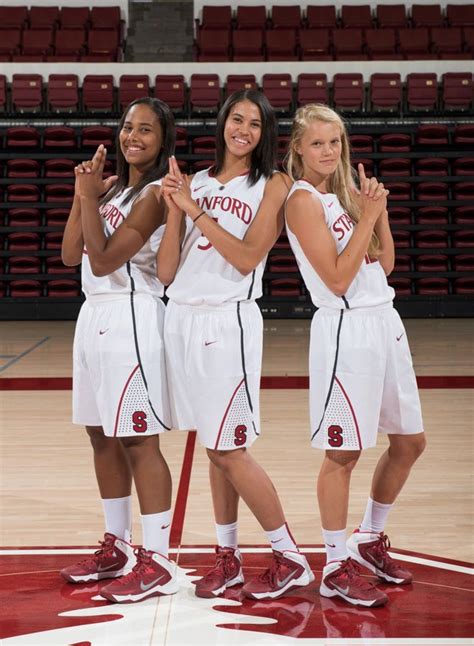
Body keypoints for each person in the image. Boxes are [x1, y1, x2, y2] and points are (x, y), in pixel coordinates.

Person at [157, 89, 314, 600]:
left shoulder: (274, 183)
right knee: (215, 447)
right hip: (180, 317)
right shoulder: (197, 181)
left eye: (255, 123)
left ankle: (289, 555)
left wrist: (196, 213)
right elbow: (169, 269)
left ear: (266, 132)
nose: (243, 129)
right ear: (222, 122)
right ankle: (228, 557)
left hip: (227, 323)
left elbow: (248, 258)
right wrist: (178, 206)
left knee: (230, 448)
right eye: (236, 119)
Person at [285, 103, 426, 607]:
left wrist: (377, 215)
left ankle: (367, 539)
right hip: (345, 330)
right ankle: (334, 564)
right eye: (318, 142)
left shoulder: (339, 197)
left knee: (410, 441)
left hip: (384, 321)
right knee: (343, 454)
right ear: (298, 147)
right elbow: (339, 278)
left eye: (335, 142)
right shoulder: (302, 200)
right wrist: (366, 216)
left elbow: (382, 263)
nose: (328, 151)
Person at [60, 97, 179, 603]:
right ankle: (119, 546)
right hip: (94, 315)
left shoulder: (153, 194)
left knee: (137, 440)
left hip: (133, 313)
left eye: (146, 130)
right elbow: (72, 255)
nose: (134, 136)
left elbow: (106, 259)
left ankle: (159, 561)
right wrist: (81, 196)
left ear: (162, 139)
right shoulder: (111, 191)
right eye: (128, 126)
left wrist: (90, 199)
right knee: (100, 434)